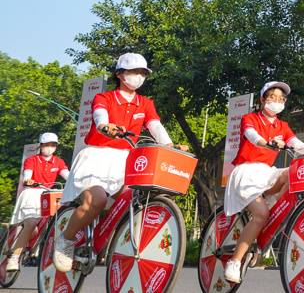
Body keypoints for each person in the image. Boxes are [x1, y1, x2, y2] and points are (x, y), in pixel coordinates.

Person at [53, 53, 187, 273]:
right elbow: (99, 117)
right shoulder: (104, 98)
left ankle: (109, 242)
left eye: (143, 73)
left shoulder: (145, 103)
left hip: (125, 162)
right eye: (134, 72)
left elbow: (155, 126)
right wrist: (106, 127)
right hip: (96, 158)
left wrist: (170, 145)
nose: (139, 77)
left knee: (134, 201)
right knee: (96, 200)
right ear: (120, 74)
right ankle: (65, 241)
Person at [222, 81, 304, 284]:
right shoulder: (249, 118)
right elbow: (251, 135)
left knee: (292, 174)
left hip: (267, 173)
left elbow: (296, 143)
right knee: (261, 214)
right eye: (272, 97)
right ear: (262, 100)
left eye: (281, 99)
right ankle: (235, 261)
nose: (277, 102)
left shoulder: (282, 126)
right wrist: (266, 143)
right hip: (246, 173)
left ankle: (269, 229)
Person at [6, 133, 69, 270]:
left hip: (49, 196)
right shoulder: (32, 160)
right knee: (31, 224)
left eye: (53, 145)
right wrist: (28, 180)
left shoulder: (58, 162)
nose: (50, 148)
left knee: (57, 222)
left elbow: (67, 176)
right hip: (32, 194)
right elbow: (27, 176)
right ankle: (14, 258)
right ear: (40, 145)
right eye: (47, 145)